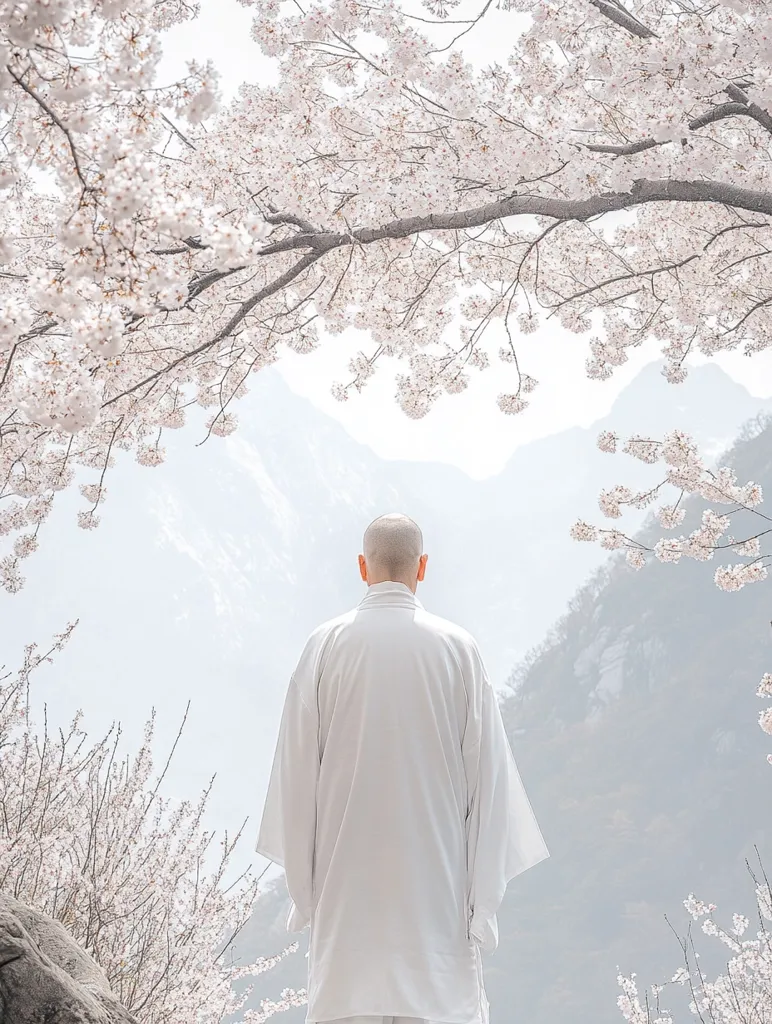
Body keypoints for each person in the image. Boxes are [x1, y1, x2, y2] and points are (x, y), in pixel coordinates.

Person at [257, 513, 549, 1024]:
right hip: (436, 905)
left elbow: (294, 781)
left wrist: (305, 897)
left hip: (347, 909)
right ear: (424, 567)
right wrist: (482, 905)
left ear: (362, 567)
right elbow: (491, 785)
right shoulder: (459, 650)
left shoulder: (324, 647)